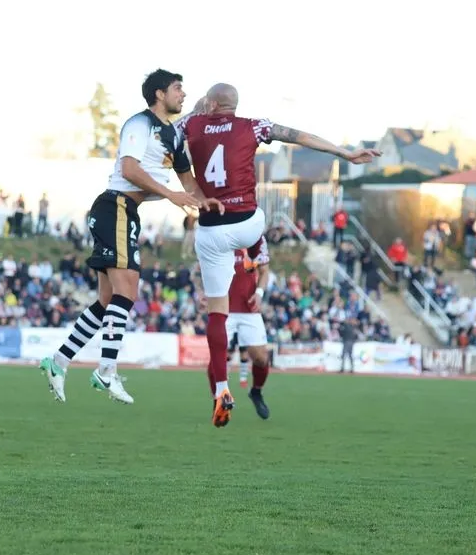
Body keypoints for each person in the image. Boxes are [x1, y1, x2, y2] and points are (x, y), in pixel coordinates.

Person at [179, 83, 380, 427]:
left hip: (211, 228)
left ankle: (222, 389)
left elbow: (183, 124)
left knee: (215, 313)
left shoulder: (191, 124)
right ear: (235, 105)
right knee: (257, 227)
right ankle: (226, 390)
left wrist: (202, 109)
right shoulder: (253, 125)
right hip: (247, 223)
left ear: (210, 104)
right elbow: (299, 136)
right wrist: (344, 153)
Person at [38, 69, 221, 405]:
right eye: (177, 88)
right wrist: (171, 196)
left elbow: (188, 182)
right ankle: (106, 370)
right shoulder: (139, 124)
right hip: (115, 207)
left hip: (125, 212)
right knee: (129, 289)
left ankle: (59, 361)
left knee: (109, 300)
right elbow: (129, 170)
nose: (182, 94)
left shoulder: (174, 137)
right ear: (159, 94)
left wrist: (203, 201)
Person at [221, 235, 271, 419]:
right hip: (222, 306)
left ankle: (256, 392)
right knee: (218, 357)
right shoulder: (219, 233)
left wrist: (259, 293)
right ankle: (218, 400)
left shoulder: (255, 237)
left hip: (249, 308)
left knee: (261, 358)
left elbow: (264, 271)